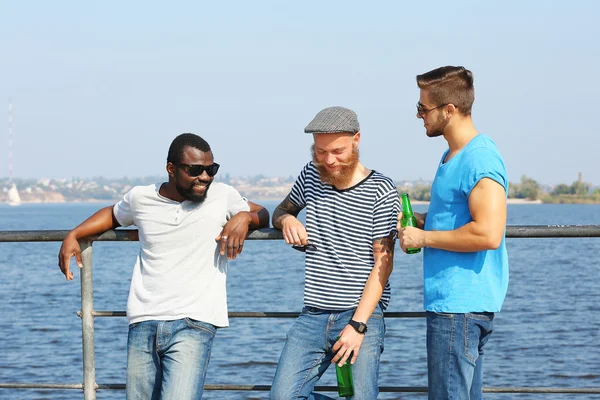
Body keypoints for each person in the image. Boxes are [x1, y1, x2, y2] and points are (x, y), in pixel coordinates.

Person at [58, 133, 269, 400]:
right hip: (143, 320)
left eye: (211, 169)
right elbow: (112, 215)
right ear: (171, 169)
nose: (204, 176)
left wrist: (244, 217)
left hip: (195, 322)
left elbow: (263, 214)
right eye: (195, 170)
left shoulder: (223, 195)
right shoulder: (140, 198)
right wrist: (73, 234)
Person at [269, 106, 400, 399]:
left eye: (337, 151)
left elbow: (384, 263)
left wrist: (357, 325)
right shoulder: (310, 175)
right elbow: (281, 210)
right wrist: (287, 219)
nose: (328, 161)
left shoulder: (381, 190)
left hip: (359, 315)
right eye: (320, 151)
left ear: (357, 140)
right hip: (312, 316)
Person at [397, 66, 509, 400]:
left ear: (449, 110)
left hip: (459, 308)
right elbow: (454, 218)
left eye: (423, 108)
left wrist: (425, 238)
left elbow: (488, 233)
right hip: (455, 304)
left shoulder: (479, 158)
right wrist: (419, 222)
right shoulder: (451, 156)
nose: (419, 115)